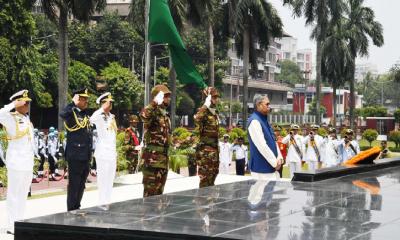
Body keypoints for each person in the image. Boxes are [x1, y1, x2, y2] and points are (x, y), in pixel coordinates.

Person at [0, 90, 35, 233]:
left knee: (22, 194)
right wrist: (12, 104)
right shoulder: (10, 117)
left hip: (27, 163)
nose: (27, 105)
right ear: (18, 102)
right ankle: (11, 224)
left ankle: (19, 222)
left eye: (28, 102)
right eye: (25, 102)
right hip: (16, 162)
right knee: (14, 194)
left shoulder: (27, 119)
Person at [60, 88, 92, 211]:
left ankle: (77, 206)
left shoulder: (84, 114)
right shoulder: (71, 113)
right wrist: (72, 103)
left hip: (85, 155)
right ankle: (71, 209)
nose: (86, 101)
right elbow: (62, 114)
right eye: (83, 99)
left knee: (81, 184)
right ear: (77, 99)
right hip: (75, 155)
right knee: (74, 184)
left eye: (86, 99)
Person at [140, 84, 171, 197]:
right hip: (152, 161)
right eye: (166, 96)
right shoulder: (152, 112)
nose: (169, 98)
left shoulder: (165, 116)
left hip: (162, 160)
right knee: (150, 196)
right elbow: (143, 116)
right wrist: (154, 103)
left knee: (159, 196)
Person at [90, 92, 117, 208]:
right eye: (109, 102)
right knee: (103, 179)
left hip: (111, 153)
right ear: (103, 103)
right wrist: (101, 108)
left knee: (110, 180)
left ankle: (107, 201)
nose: (111, 105)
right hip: (103, 153)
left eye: (111, 103)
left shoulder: (111, 117)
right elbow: (91, 119)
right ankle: (101, 203)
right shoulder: (99, 116)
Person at [247, 94, 284, 180]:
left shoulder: (264, 120)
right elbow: (262, 146)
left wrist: (279, 158)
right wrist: (275, 163)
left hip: (270, 168)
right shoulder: (255, 121)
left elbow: (273, 141)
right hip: (261, 170)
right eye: (267, 104)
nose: (269, 106)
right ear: (259, 105)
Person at [194, 87, 220, 188]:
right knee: (205, 181)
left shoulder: (214, 113)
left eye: (217, 97)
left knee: (212, 180)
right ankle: (202, 202)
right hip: (205, 153)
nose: (216, 99)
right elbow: (197, 119)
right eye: (214, 97)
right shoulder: (203, 111)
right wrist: (205, 105)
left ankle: (210, 202)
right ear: (208, 98)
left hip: (214, 152)